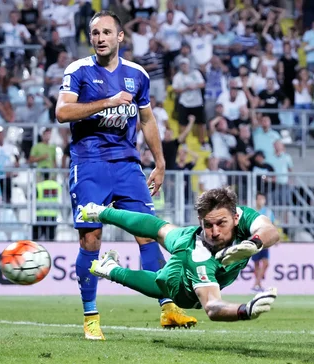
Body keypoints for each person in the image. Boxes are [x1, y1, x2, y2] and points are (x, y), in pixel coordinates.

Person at [55, 10, 197, 340]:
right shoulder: (79, 71)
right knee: (92, 238)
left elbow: (147, 121)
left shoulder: (137, 74)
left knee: (148, 233)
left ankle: (167, 307)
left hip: (128, 165)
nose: (100, 38)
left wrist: (159, 163)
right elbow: (62, 112)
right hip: (89, 163)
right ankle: (91, 317)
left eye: (106, 32)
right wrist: (106, 102)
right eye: (94, 33)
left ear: (120, 37)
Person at [82, 187, 280, 323]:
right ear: (200, 221)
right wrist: (244, 310)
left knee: (160, 228)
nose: (215, 231)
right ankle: (110, 269)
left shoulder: (242, 216)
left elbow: (270, 230)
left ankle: (99, 213)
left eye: (221, 223)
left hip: (186, 236)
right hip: (186, 275)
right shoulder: (200, 258)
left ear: (236, 217)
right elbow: (212, 306)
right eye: (208, 225)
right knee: (162, 282)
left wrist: (254, 243)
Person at [251, 192, 275, 292]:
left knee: (266, 263)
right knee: (256, 263)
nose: (261, 201)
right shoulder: (252, 212)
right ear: (256, 200)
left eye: (263, 199)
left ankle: (256, 283)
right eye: (259, 199)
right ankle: (258, 285)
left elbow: (272, 225)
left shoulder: (268, 212)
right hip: (254, 239)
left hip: (265, 240)